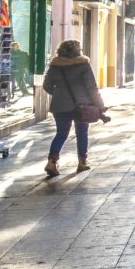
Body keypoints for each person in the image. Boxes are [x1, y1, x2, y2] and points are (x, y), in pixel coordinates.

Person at [42, 40, 108, 176]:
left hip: (59, 105)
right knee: (82, 132)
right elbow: (91, 87)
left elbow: (47, 85)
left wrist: (59, 94)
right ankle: (82, 162)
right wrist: (100, 105)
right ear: (78, 51)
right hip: (81, 105)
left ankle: (51, 162)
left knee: (61, 133)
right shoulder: (83, 65)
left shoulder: (55, 65)